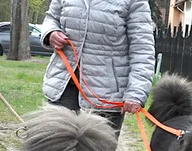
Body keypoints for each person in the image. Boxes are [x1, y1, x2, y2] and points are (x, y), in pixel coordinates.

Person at [40, 0, 155, 137]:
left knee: (97, 150)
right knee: (54, 146)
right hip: (63, 86)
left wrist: (136, 91)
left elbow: (142, 50)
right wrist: (51, 33)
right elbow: (51, 18)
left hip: (106, 95)